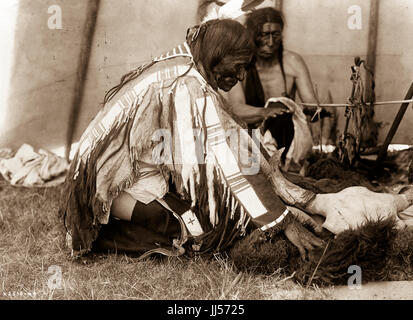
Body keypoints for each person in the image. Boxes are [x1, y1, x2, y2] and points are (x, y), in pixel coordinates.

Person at [59, 18, 324, 261]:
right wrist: (282, 220)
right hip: (104, 184)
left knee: (197, 215)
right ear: (218, 54)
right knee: (191, 231)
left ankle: (118, 221)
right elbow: (228, 157)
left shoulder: (186, 63)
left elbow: (217, 140)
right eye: (239, 66)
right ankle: (101, 229)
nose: (242, 76)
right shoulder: (188, 83)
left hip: (128, 172)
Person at [225, 7, 331, 168]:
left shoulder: (293, 62)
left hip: (286, 138)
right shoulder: (241, 64)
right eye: (263, 35)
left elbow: (311, 106)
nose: (270, 43)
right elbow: (237, 109)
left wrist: (319, 123)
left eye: (275, 35)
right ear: (251, 35)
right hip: (249, 138)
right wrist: (266, 113)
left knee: (281, 116)